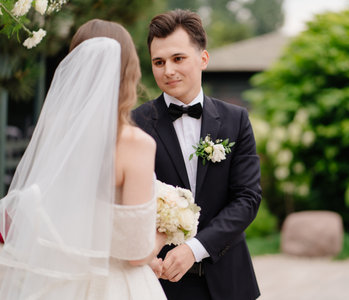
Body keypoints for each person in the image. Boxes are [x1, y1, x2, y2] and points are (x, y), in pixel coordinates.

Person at [0, 19, 166, 300]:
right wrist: (164, 232)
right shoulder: (134, 143)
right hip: (114, 286)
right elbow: (136, 254)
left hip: (60, 279)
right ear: (129, 72)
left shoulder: (56, 133)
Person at [133, 9, 261, 300]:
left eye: (178, 58)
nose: (168, 70)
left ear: (203, 59)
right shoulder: (135, 124)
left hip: (230, 281)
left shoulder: (236, 120)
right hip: (159, 282)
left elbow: (247, 198)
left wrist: (194, 248)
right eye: (158, 62)